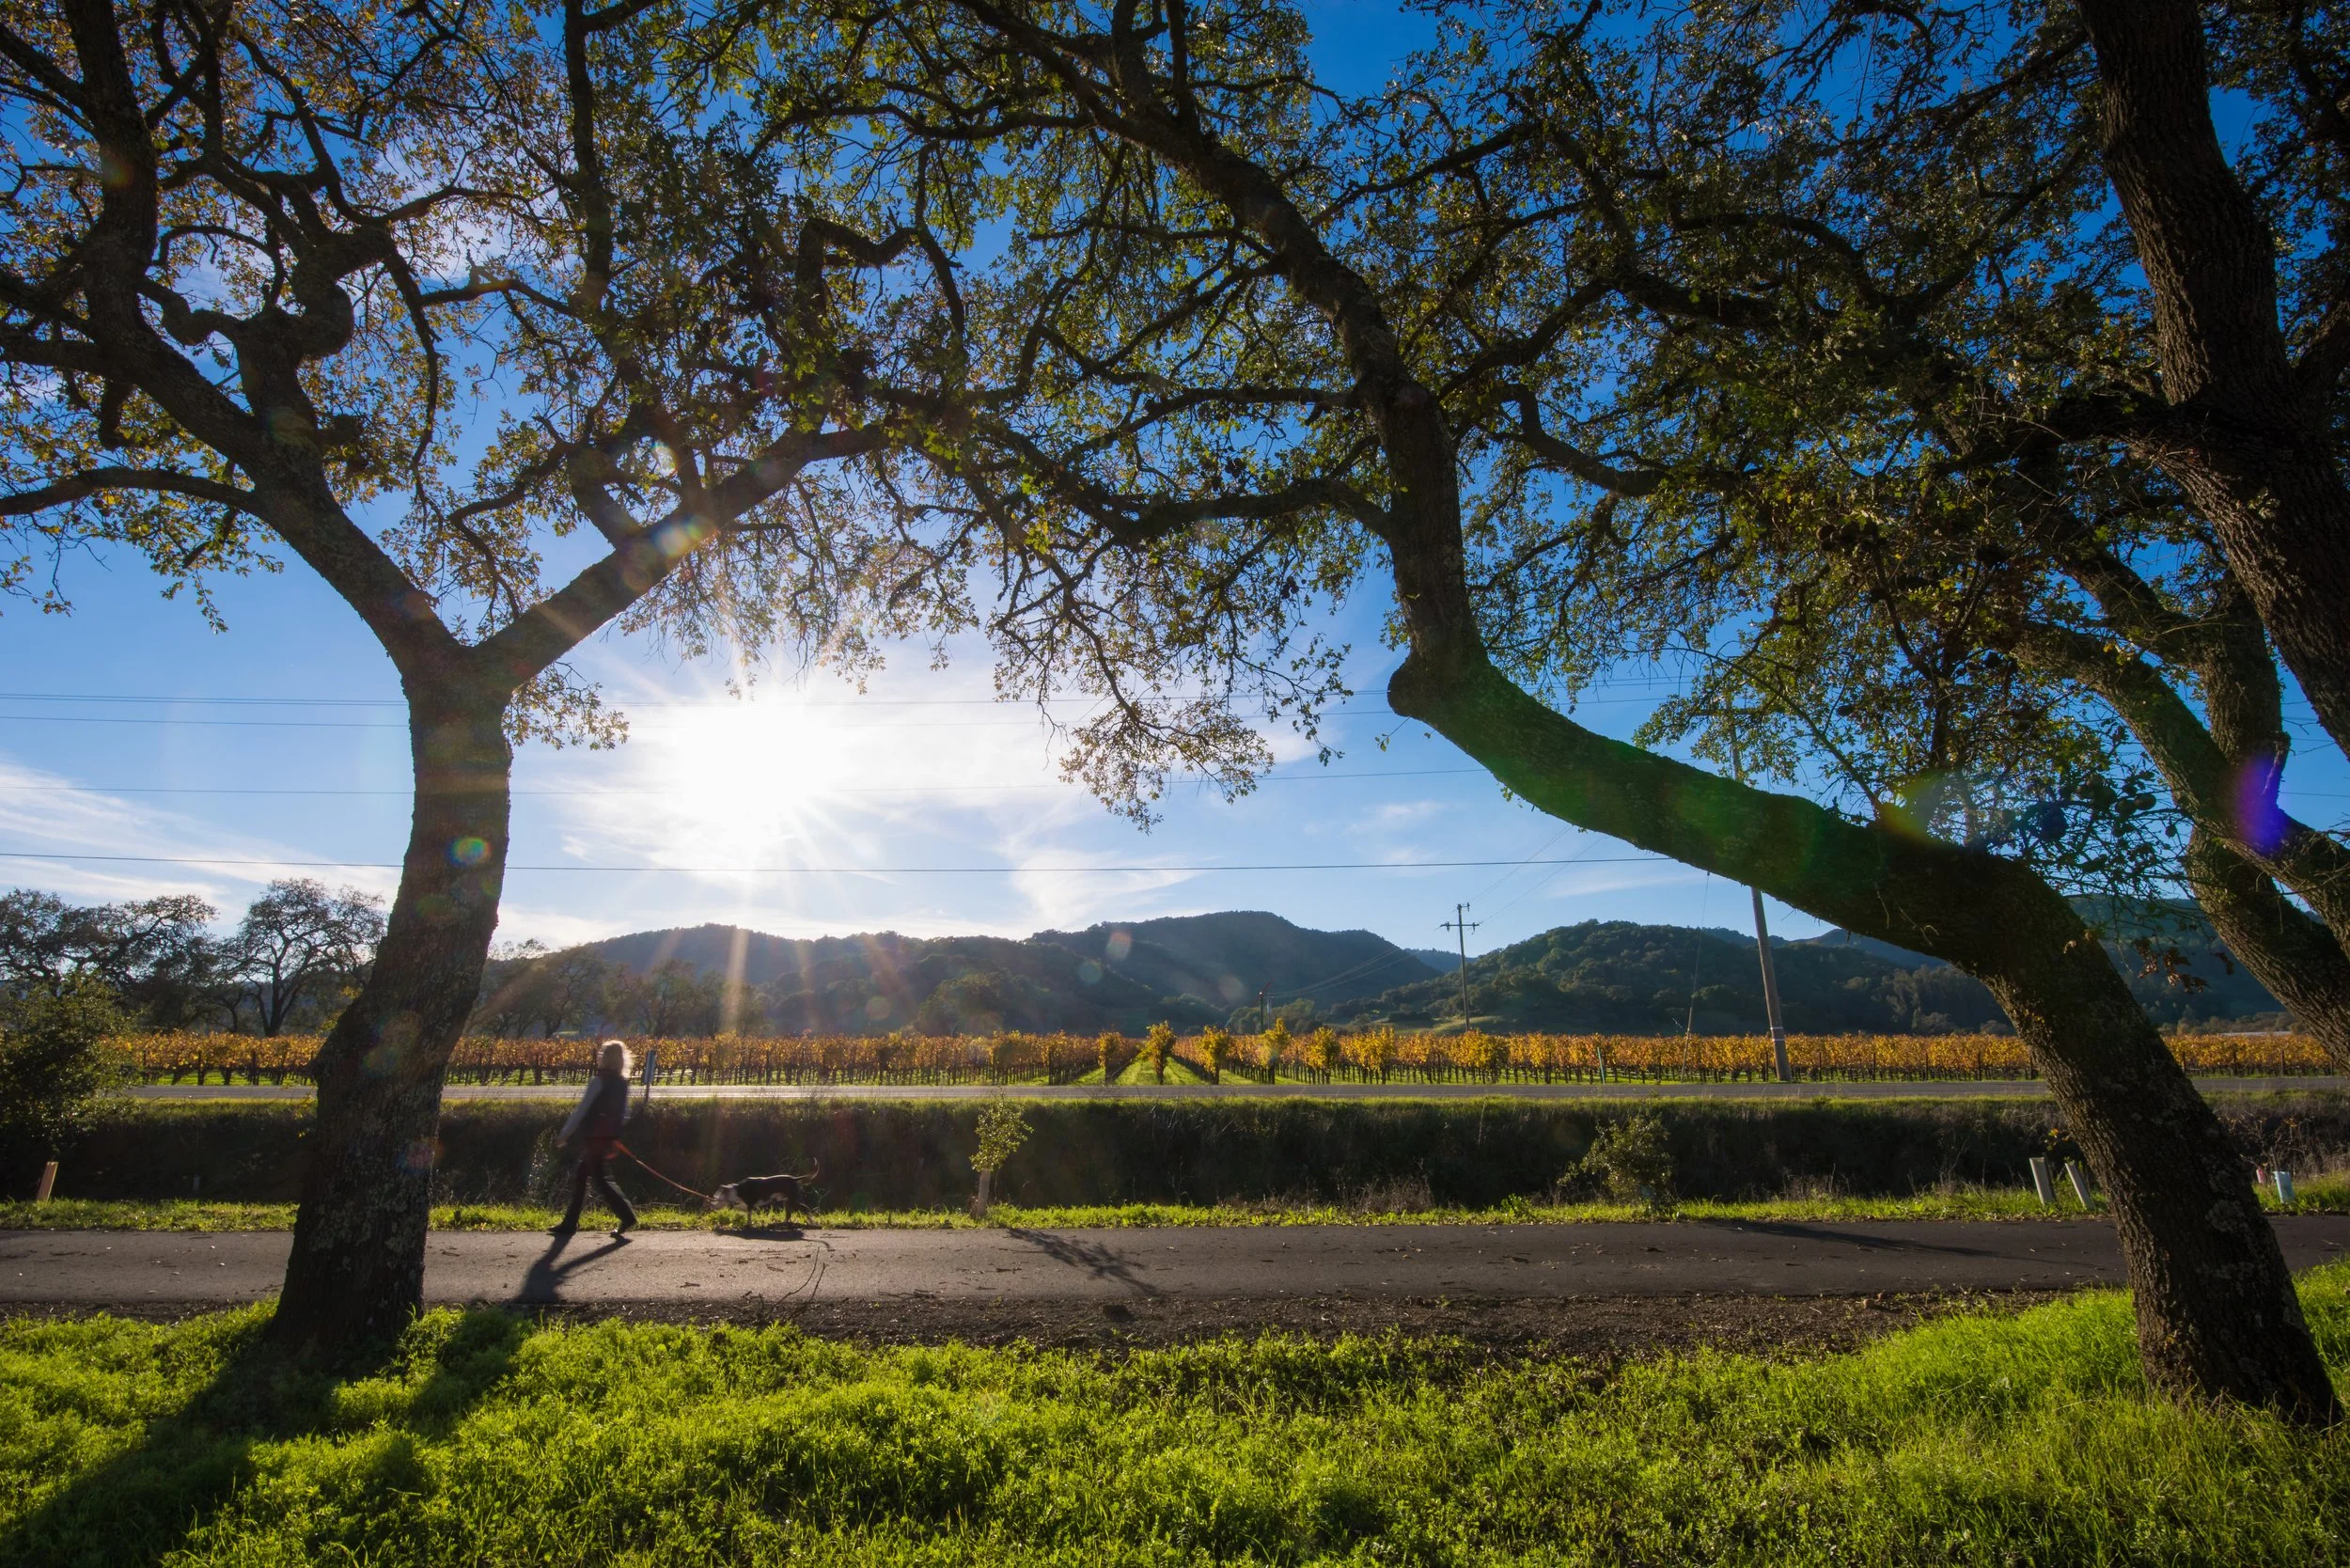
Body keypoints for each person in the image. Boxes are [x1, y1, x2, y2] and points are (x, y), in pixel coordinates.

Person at [553, 1039, 638, 1237]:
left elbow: (581, 1111)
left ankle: (625, 1216)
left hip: (593, 1137)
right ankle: (571, 1222)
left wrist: (564, 1134)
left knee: (594, 1179)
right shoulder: (622, 1083)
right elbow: (625, 1113)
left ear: (604, 1058)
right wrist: (612, 1133)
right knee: (587, 1176)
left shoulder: (598, 1081)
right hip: (606, 1138)